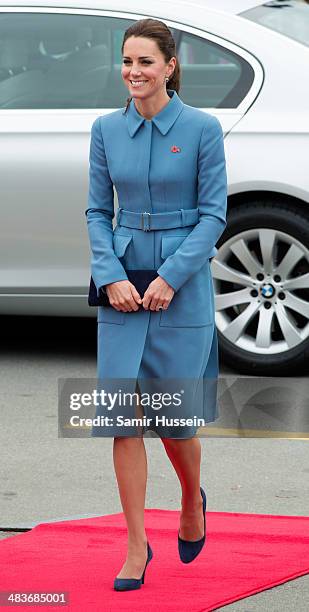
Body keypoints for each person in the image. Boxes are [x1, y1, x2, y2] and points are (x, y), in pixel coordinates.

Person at [85, 18, 227, 591]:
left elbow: (215, 213)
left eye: (145, 62)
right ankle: (136, 546)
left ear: (170, 67)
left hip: (181, 283)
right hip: (121, 284)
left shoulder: (201, 129)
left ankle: (192, 501)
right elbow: (97, 210)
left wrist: (170, 276)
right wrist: (109, 274)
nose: (133, 72)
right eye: (126, 61)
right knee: (125, 420)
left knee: (174, 421)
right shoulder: (103, 129)